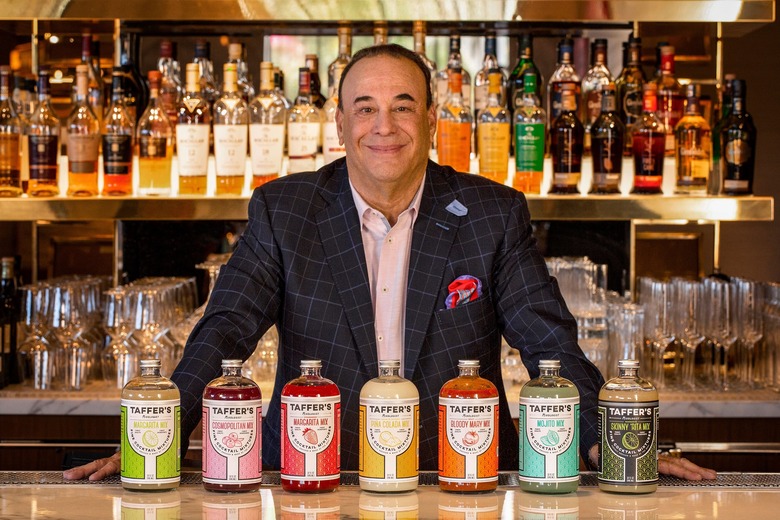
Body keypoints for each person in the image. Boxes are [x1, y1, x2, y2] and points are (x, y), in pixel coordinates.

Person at [64, 44, 715, 482]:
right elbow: (226, 327)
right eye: (366, 108)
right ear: (340, 123)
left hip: (460, 477)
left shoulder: (491, 212)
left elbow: (549, 341)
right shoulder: (285, 210)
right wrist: (158, 430)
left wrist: (611, 436)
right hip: (313, 475)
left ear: (430, 118)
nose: (384, 126)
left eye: (403, 106)